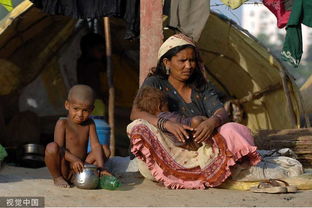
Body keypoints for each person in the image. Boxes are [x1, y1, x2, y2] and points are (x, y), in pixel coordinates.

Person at [127, 33, 262, 189]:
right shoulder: (155, 82)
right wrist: (167, 124)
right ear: (167, 62)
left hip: (203, 155)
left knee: (232, 129)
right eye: (182, 61)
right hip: (168, 154)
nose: (189, 66)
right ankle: (183, 174)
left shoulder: (202, 86)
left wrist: (213, 122)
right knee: (139, 126)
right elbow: (135, 113)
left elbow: (220, 111)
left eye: (192, 60)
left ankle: (202, 173)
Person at [45, 85, 111, 188]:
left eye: (85, 110)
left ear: (92, 109)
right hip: (65, 168)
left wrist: (102, 167)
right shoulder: (62, 123)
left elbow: (95, 146)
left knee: (105, 149)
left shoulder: (90, 123)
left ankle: (98, 173)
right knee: (51, 147)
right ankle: (57, 178)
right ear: (67, 105)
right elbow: (60, 150)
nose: (80, 114)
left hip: (82, 167)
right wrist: (74, 159)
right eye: (76, 108)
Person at [134, 86, 205, 150]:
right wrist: (203, 119)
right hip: (187, 146)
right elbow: (189, 123)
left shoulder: (151, 123)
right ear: (160, 106)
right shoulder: (167, 117)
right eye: (167, 104)